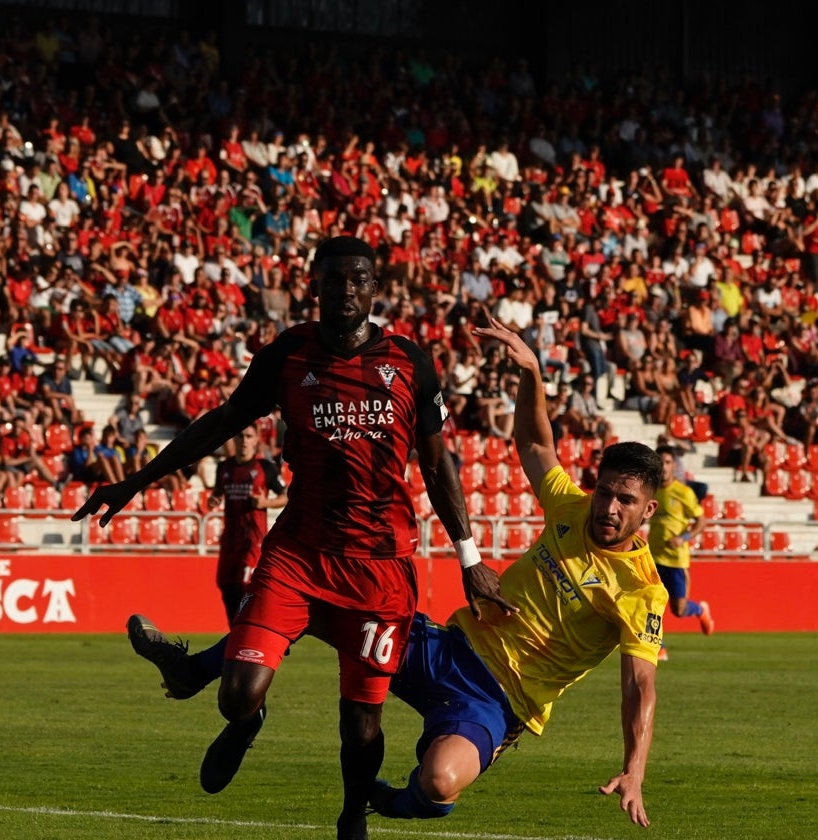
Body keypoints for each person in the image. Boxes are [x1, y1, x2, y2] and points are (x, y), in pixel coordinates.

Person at [126, 314, 669, 827]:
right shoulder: (571, 508)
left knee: (438, 780)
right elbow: (533, 444)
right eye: (605, 493)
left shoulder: (642, 591)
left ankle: (381, 802)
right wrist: (531, 373)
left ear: (648, 510)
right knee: (321, 602)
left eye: (625, 500)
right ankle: (197, 673)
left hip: (501, 702)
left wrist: (636, 768)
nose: (609, 508)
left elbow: (640, 685)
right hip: (446, 648)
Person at [74, 235, 512, 840]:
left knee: (360, 725)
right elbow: (223, 422)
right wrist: (135, 482)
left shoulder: (411, 361)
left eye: (359, 278)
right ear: (315, 285)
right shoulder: (288, 355)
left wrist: (470, 557)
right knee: (238, 696)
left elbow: (438, 464)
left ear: (375, 287)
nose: (347, 289)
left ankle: (352, 814)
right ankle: (245, 720)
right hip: (298, 554)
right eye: (335, 279)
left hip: (380, 569)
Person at [208, 424, 287, 624]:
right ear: (235, 440)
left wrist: (266, 503)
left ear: (256, 440)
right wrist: (214, 498)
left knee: (243, 586)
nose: (244, 441)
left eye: (249, 436)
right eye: (240, 436)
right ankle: (236, 633)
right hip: (230, 539)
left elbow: (286, 495)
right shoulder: (224, 468)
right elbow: (218, 492)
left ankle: (263, 627)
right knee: (225, 584)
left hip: (253, 539)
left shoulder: (265, 468)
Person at [648, 444, 713, 660]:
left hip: (676, 560)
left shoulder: (683, 492)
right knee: (650, 602)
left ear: (674, 466)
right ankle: (659, 647)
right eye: (661, 462)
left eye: (667, 463)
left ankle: (700, 610)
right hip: (652, 557)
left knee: (679, 609)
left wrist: (683, 538)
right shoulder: (650, 489)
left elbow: (702, 521)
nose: (664, 467)